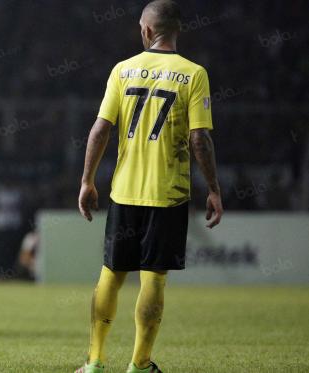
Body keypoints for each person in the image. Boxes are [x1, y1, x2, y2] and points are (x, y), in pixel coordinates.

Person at [74, 1, 223, 372]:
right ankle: (140, 364)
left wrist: (87, 180)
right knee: (154, 276)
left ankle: (94, 362)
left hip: (124, 191)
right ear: (177, 30)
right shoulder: (193, 73)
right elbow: (200, 138)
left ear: (145, 31)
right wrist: (214, 189)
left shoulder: (122, 70)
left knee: (111, 274)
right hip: (167, 194)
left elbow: (100, 129)